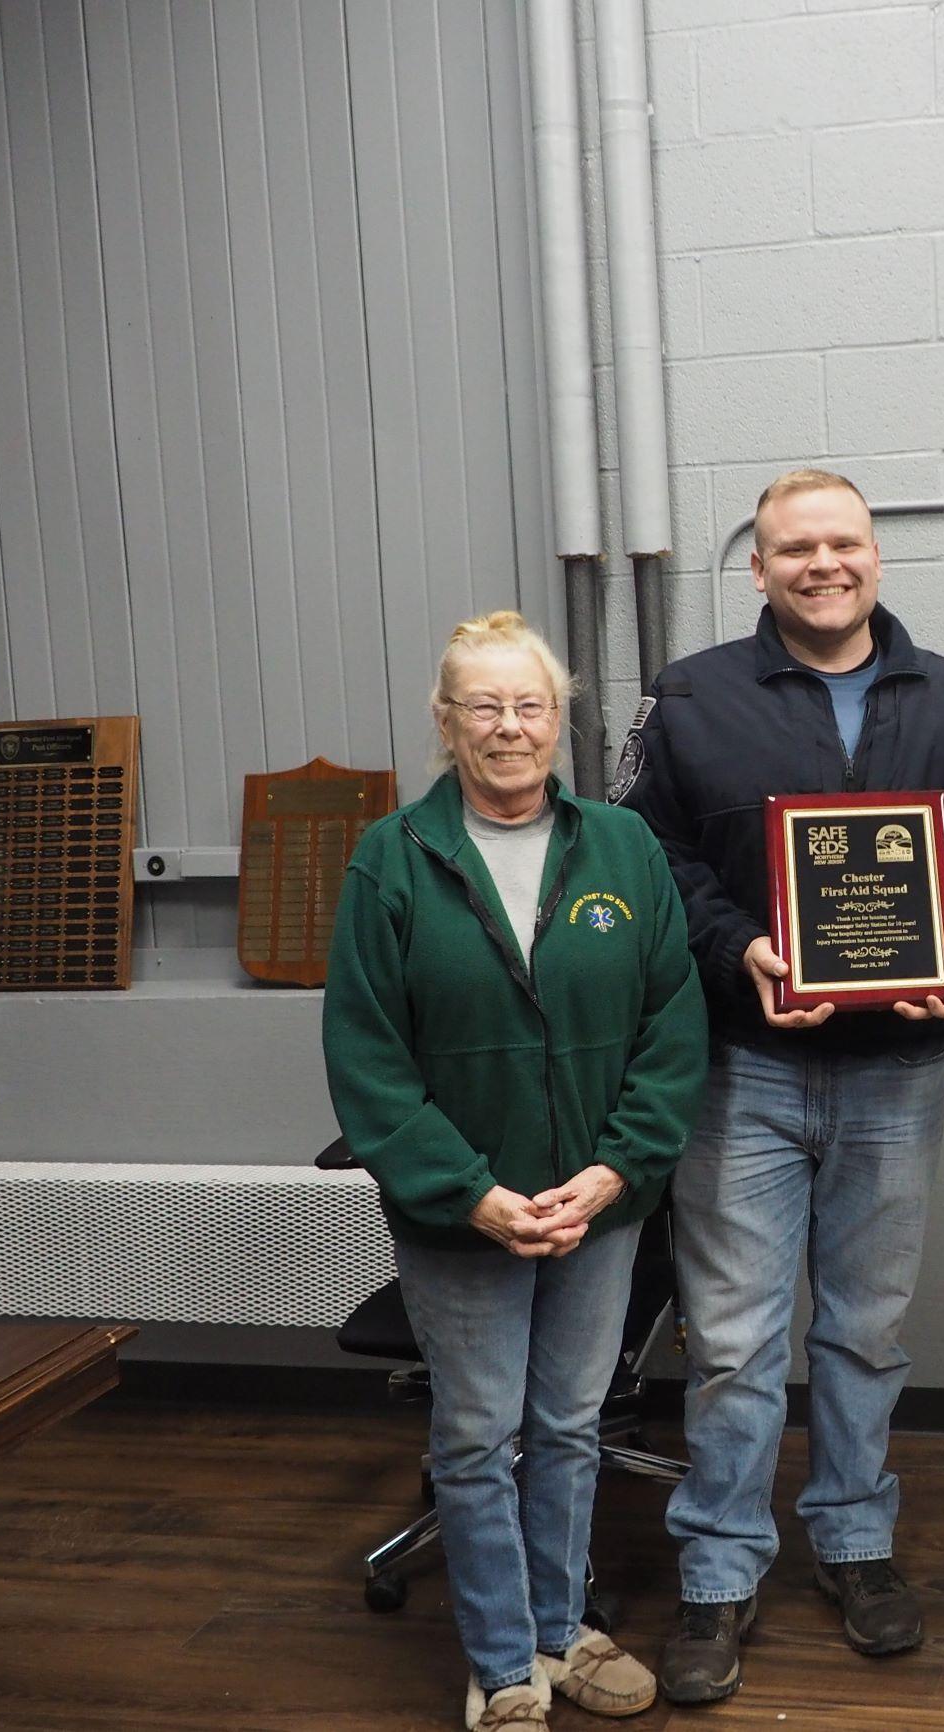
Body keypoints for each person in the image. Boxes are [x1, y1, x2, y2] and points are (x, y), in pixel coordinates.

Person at [616, 468, 944, 1705]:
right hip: (745, 1068)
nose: (822, 564)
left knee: (864, 1330)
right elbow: (652, 855)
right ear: (758, 568)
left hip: (898, 1073)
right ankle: (719, 1568)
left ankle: (853, 1541)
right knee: (736, 1341)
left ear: (875, 558)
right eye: (795, 548)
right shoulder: (690, 699)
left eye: (842, 543)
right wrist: (738, 943)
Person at [323, 611, 707, 1731]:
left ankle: (559, 1628)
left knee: (573, 1425)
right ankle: (502, 1664)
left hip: (599, 1208)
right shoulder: (391, 859)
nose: (509, 726)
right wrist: (471, 1193)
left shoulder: (622, 850)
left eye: (529, 704)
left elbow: (671, 1026)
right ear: (445, 723)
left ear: (560, 719)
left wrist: (612, 1171)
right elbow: (367, 1058)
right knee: (479, 1434)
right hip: (461, 1220)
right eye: (482, 706)